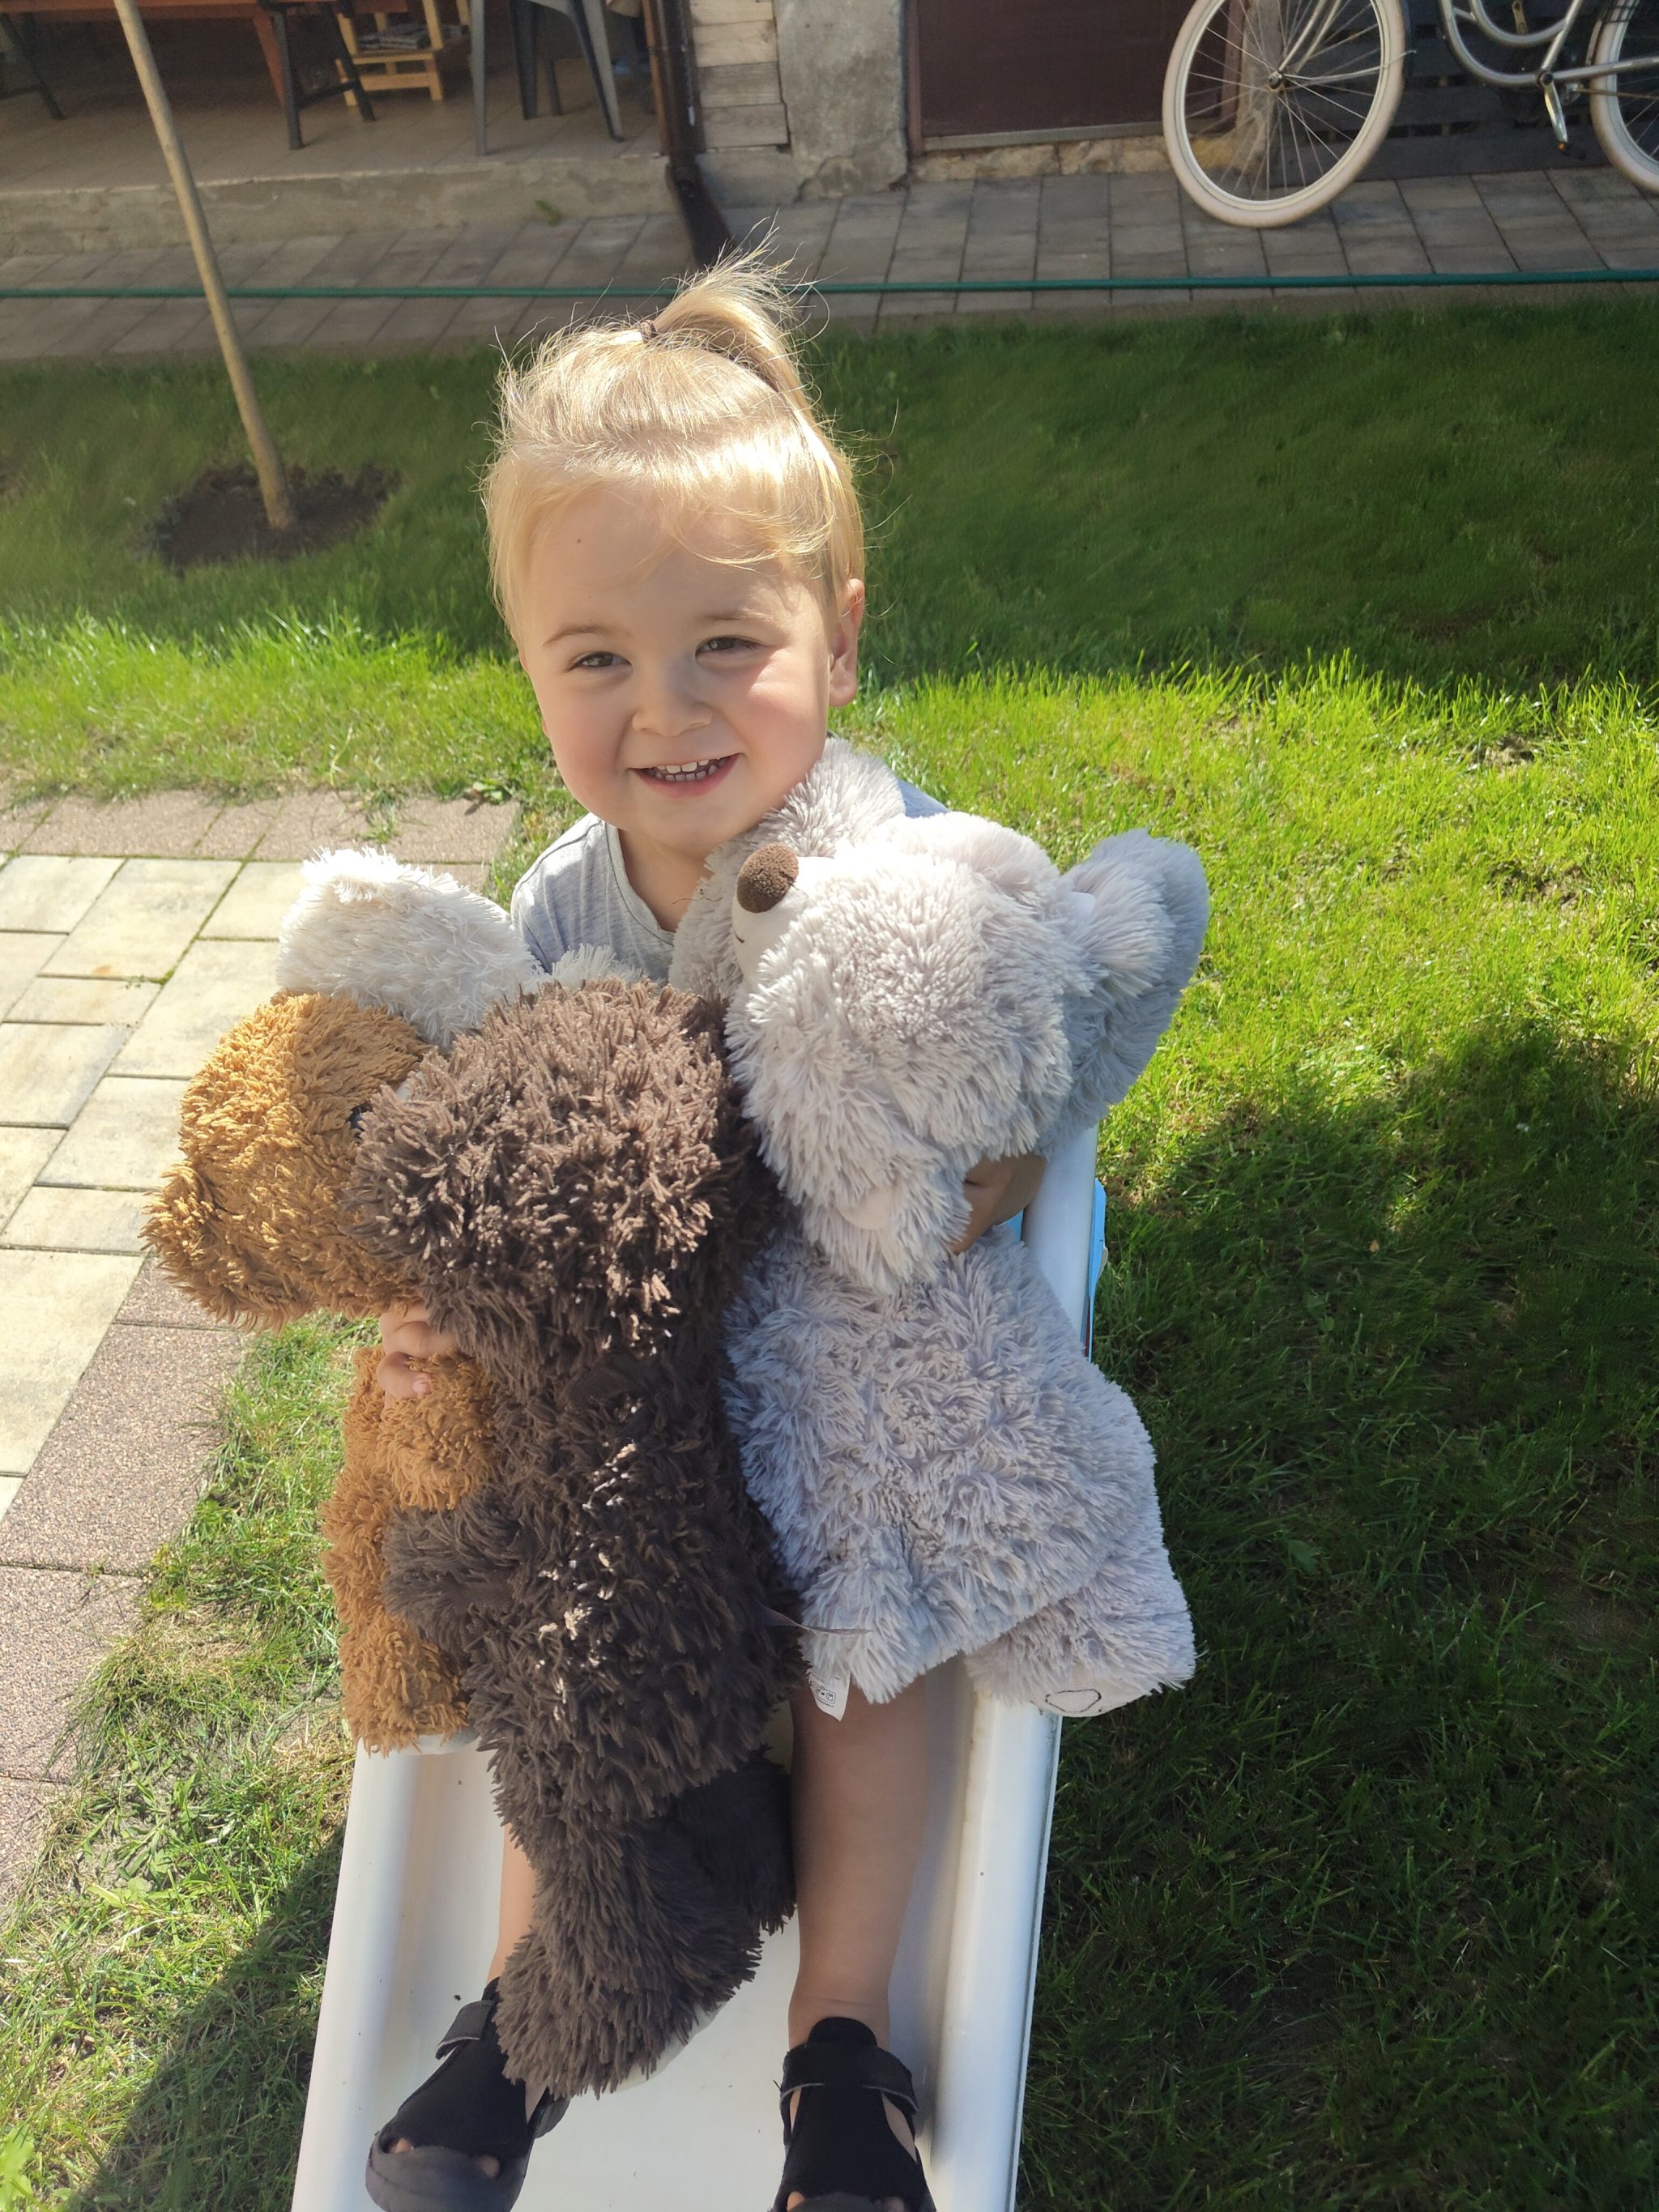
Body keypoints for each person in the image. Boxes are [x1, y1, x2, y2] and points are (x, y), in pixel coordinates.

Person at [365, 257, 1044, 2212]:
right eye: (594, 658)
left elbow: (1015, 1102)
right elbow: (510, 1178)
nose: (661, 708)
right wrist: (440, 1321)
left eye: (723, 645)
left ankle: (842, 2045)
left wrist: (951, 1197)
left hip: (837, 1368)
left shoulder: (897, 874)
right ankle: (526, 2009)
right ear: (526, 670)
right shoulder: (558, 911)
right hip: (639, 1417)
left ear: (839, 636)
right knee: (556, 1629)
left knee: (864, 1631)